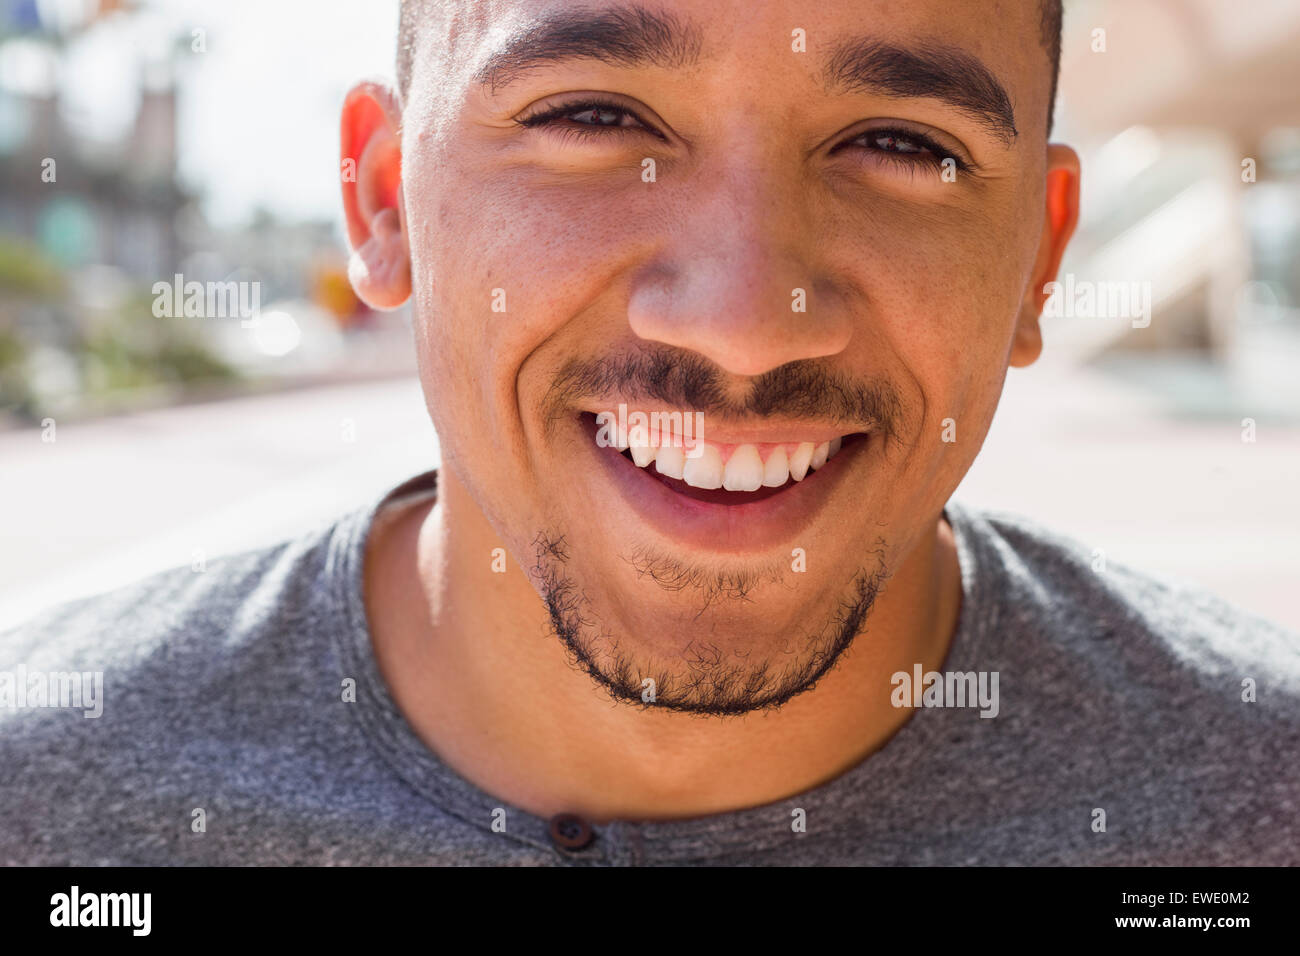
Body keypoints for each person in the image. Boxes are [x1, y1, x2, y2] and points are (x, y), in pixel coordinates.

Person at [2, 0, 1296, 866]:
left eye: (899, 143)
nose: (743, 322)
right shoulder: (39, 793)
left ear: (1040, 262)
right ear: (387, 201)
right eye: (595, 117)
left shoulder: (1259, 804)